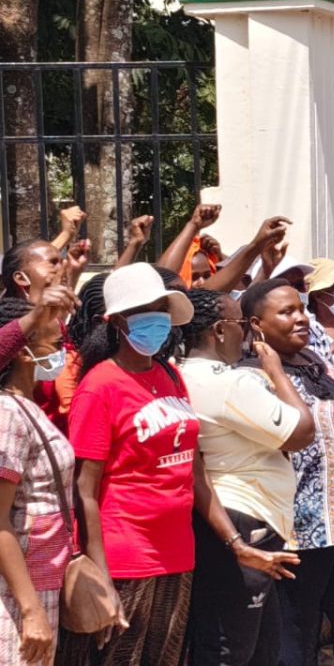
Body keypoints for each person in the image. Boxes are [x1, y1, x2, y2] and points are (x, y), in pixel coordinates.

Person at [60, 262, 277, 665]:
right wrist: (101, 574)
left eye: (163, 307)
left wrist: (236, 543)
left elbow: (194, 471)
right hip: (126, 557)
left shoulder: (168, 375)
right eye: (146, 309)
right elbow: (84, 490)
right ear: (117, 321)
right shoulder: (100, 386)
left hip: (177, 553)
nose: (157, 318)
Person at [234, 278, 334, 666]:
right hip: (298, 530)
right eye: (286, 312)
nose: (300, 318)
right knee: (297, 630)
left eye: (301, 309)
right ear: (257, 324)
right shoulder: (251, 375)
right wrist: (275, 370)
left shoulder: (319, 362)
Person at [178, 289, 317, 666]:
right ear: (220, 331)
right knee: (230, 648)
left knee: (259, 648)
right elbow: (302, 431)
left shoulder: (184, 375)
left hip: (240, 517)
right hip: (243, 516)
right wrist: (275, 371)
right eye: (242, 325)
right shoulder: (228, 384)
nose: (248, 335)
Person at [0, 296, 77, 665]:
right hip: (16, 596)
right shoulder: (6, 414)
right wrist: (30, 610)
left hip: (40, 579)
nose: (64, 354)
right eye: (57, 345)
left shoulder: (27, 405)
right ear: (24, 354)